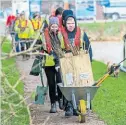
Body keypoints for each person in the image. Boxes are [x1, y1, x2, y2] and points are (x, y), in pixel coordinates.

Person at [61, 10, 93, 117]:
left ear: (75, 23)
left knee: (80, 82)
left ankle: (79, 105)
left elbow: (89, 48)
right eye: (69, 23)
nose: (71, 25)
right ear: (65, 23)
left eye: (72, 23)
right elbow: (58, 50)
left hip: (80, 62)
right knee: (69, 83)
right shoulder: (61, 35)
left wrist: (90, 61)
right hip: (67, 63)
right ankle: (69, 106)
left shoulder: (82, 33)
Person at [44, 17, 64, 113]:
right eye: (52, 26)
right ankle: (53, 104)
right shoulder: (45, 36)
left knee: (60, 82)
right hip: (49, 63)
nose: (54, 28)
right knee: (51, 84)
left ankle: (60, 99)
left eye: (56, 26)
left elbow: (63, 48)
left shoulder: (61, 35)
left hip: (59, 62)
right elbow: (42, 48)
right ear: (50, 26)